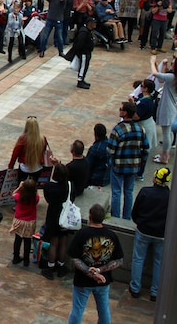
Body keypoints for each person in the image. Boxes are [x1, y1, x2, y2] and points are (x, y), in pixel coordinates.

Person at [67, 204, 124, 324]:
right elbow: (119, 260)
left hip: (83, 281)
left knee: (78, 310)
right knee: (104, 311)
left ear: (90, 217)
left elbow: (74, 257)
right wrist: (100, 270)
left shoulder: (82, 234)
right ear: (103, 218)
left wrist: (90, 271)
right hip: (103, 280)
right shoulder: (111, 235)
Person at [129, 166, 170, 301]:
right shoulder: (170, 197)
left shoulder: (145, 192)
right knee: (159, 262)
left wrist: (139, 222)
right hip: (162, 234)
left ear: (155, 178)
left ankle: (135, 288)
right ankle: (155, 292)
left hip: (144, 230)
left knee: (138, 259)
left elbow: (134, 212)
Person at [107, 101, 149, 219]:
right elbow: (146, 149)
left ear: (125, 113)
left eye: (121, 109)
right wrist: (140, 163)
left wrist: (111, 162)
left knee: (116, 192)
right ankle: (127, 217)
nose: (119, 111)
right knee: (129, 192)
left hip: (118, 166)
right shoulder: (140, 129)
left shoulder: (118, 129)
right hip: (133, 166)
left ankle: (115, 217)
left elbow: (110, 150)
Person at [41, 163, 71, 280]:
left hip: (53, 215)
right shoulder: (69, 185)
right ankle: (61, 266)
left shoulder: (49, 186)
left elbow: (48, 199)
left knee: (54, 242)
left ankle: (50, 267)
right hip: (65, 216)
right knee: (63, 241)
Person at [7, 116, 49, 182]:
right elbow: (43, 151)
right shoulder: (42, 138)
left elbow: (15, 155)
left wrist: (10, 167)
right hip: (38, 168)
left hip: (25, 169)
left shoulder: (23, 139)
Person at [9, 178, 39, 266]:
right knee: (28, 241)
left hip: (19, 220)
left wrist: (19, 187)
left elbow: (13, 194)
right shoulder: (35, 198)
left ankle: (16, 258)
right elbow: (36, 194)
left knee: (17, 240)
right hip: (30, 221)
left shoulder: (19, 196)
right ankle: (26, 260)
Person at [65, 16, 96, 89]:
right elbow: (79, 44)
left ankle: (82, 79)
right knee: (83, 67)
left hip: (87, 52)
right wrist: (79, 53)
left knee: (85, 66)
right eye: (93, 23)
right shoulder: (83, 32)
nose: (95, 25)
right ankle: (80, 81)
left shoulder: (88, 31)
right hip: (84, 53)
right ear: (89, 23)